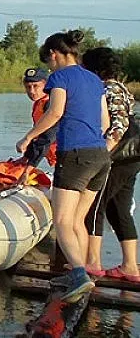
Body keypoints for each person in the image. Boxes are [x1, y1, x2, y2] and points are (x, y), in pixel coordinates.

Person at [16, 30, 111, 302]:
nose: (49, 66)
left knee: (62, 220)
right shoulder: (94, 79)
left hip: (76, 155)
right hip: (100, 156)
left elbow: (55, 112)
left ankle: (79, 275)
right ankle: (80, 272)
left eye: (48, 61)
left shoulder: (60, 77)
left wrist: (29, 137)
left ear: (54, 55)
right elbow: (104, 122)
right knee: (77, 220)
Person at [82, 47, 140, 282]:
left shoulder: (108, 88)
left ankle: (92, 262)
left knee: (95, 204)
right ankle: (130, 266)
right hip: (133, 155)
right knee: (119, 209)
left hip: (119, 156)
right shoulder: (122, 87)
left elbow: (117, 127)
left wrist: (102, 155)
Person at [22, 67, 58, 168]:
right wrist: (26, 157)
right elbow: (36, 134)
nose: (32, 91)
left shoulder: (51, 105)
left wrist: (30, 166)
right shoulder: (39, 103)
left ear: (46, 85)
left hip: (67, 155)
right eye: (28, 87)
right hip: (56, 157)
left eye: (36, 86)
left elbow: (47, 137)